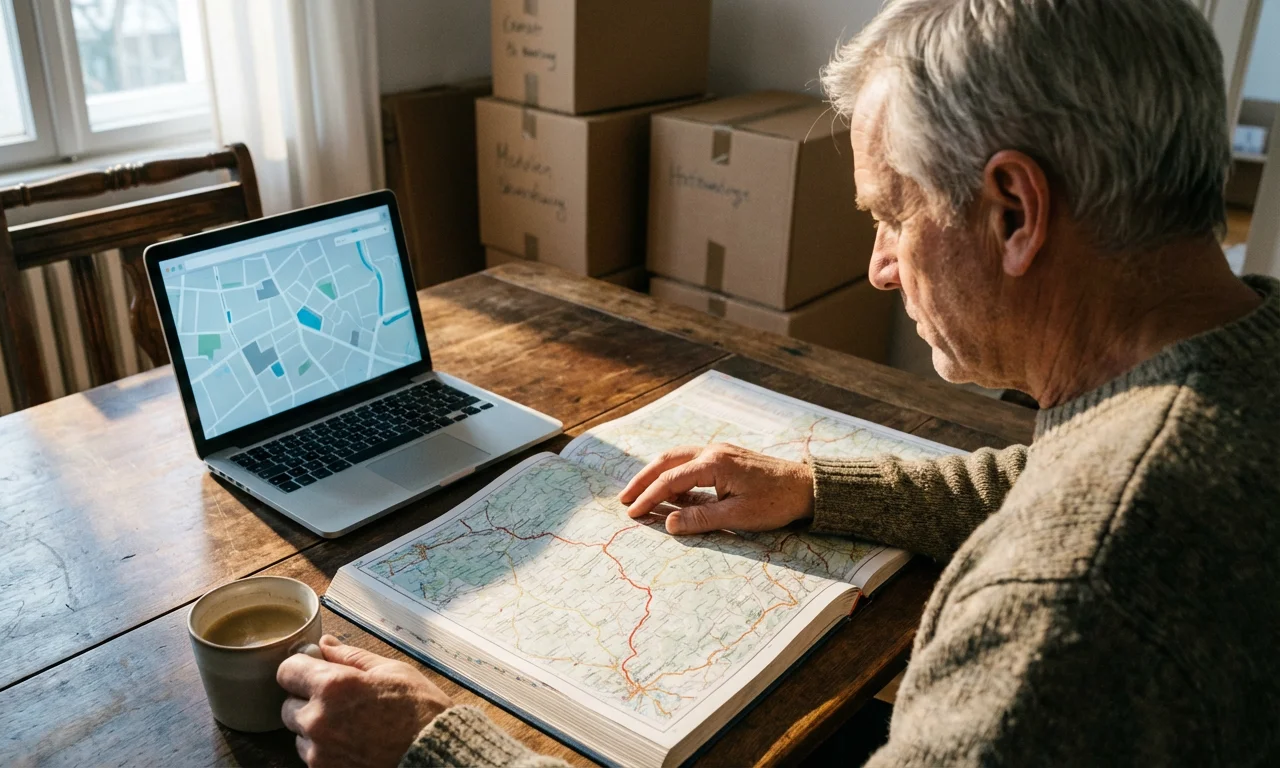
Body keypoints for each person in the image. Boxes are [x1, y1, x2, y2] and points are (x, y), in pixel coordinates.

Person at [277, 0, 1280, 764]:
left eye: (891, 214)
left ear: (1013, 210)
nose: (880, 268)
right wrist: (814, 488)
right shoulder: (1236, 354)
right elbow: (1049, 480)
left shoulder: (1064, 602)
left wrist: (436, 745)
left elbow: (1079, 519)